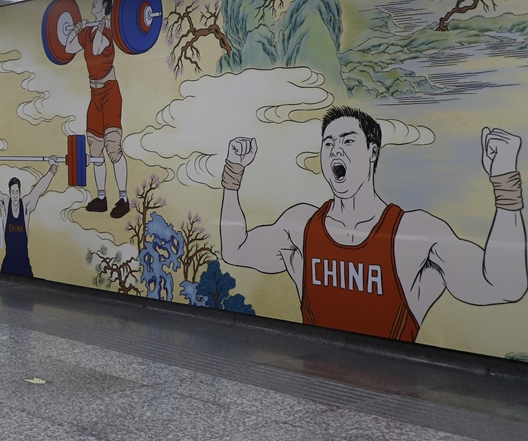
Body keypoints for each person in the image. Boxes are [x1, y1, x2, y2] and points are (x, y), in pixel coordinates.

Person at [220, 106, 526, 341]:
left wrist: (505, 180)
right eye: (328, 143)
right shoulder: (301, 226)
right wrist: (233, 172)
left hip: (394, 399)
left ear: (372, 152)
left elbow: (504, 286)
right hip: (313, 391)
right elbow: (235, 250)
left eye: (348, 141)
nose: (335, 149)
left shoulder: (415, 233)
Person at [64, 0, 131, 218]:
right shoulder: (89, 31)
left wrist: (99, 27)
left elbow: (94, 50)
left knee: (113, 148)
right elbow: (67, 48)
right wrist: (77, 28)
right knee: (95, 150)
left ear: (103, 6)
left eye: (95, 0)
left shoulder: (106, 34)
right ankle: (101, 197)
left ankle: (123, 198)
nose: (92, 2)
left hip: (110, 93)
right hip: (94, 95)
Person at [0, 155, 59, 277]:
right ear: (9, 192)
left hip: (24, 265)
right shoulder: (5, 204)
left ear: (20, 192)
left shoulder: (25, 205)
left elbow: (39, 189)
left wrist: (53, 169)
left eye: (17, 192)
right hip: (8, 264)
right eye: (12, 192)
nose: (15, 195)